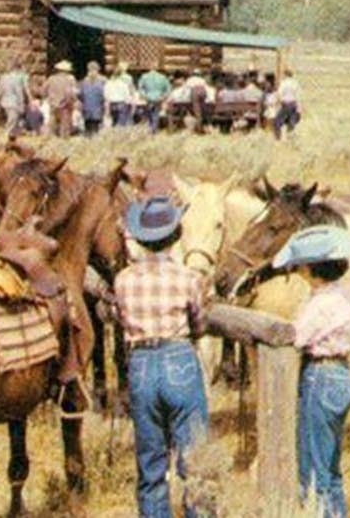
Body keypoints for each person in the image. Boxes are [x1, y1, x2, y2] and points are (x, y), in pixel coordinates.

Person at [115, 196, 211, 518]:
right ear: (176, 235)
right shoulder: (187, 278)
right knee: (194, 457)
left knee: (151, 462)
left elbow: (120, 318)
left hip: (141, 363)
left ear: (140, 239)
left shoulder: (123, 280)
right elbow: (199, 323)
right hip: (178, 356)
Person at [271, 225, 350, 518]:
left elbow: (296, 337)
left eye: (300, 266)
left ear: (310, 268)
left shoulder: (320, 304)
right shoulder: (344, 294)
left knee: (313, 468)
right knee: (331, 465)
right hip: (342, 375)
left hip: (320, 376)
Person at [0, 57, 31, 139]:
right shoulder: (17, 78)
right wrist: (21, 104)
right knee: (12, 120)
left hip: (5, 101)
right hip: (13, 102)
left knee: (12, 119)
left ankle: (12, 135)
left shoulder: (3, 77)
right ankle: (7, 135)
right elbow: (19, 92)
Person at [44, 60, 79, 139]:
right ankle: (63, 142)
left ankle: (51, 140)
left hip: (53, 105)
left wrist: (50, 98)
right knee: (64, 126)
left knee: (52, 124)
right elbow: (72, 92)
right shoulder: (70, 79)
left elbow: (44, 90)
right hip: (65, 105)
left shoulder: (51, 79)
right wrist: (74, 101)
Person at [137, 65, 171, 133]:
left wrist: (144, 96)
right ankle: (154, 129)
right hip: (158, 97)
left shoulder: (144, 77)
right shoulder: (162, 77)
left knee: (149, 113)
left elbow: (140, 88)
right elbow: (168, 89)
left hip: (148, 97)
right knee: (156, 114)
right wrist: (163, 97)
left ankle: (151, 128)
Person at [79, 61, 107, 136]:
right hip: (91, 107)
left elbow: (81, 95)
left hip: (94, 107)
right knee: (91, 126)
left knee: (93, 126)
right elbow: (81, 95)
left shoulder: (102, 80)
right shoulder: (86, 81)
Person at [274, 69, 303, 140]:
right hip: (294, 104)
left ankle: (278, 138)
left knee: (278, 121)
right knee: (291, 121)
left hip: (286, 104)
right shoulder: (296, 83)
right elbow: (298, 95)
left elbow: (279, 94)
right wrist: (299, 107)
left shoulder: (284, 83)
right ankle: (290, 137)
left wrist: (279, 102)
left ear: (285, 75)